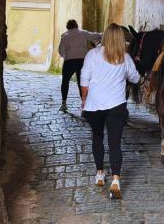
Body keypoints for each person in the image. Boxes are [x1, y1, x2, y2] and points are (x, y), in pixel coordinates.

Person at [80, 23, 140, 199]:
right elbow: (135, 78)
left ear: (104, 36)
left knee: (97, 137)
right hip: (116, 106)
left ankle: (99, 173)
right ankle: (115, 180)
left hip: (94, 106)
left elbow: (84, 81)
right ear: (121, 39)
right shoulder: (125, 58)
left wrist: (84, 99)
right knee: (115, 143)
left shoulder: (92, 55)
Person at [58, 19, 101, 112]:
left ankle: (64, 103)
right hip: (82, 60)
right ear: (77, 26)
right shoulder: (83, 33)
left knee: (65, 82)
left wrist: (66, 56)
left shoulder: (64, 36)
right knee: (82, 83)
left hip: (69, 61)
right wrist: (104, 34)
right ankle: (84, 105)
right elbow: (94, 36)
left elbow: (60, 50)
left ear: (67, 27)